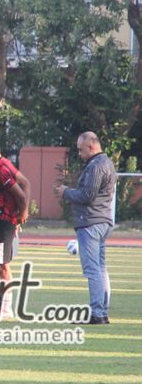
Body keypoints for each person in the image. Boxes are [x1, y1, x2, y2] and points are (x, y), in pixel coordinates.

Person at [55, 131, 116, 325]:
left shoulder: (96, 166)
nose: (80, 154)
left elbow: (86, 196)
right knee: (100, 268)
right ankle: (102, 311)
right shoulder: (106, 163)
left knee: (92, 270)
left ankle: (97, 313)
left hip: (91, 222)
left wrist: (66, 192)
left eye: (81, 150)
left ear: (91, 146)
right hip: (102, 220)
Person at [0, 134, 30, 319]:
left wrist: (23, 213)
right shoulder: (0, 165)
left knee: (2, 264)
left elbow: (20, 191)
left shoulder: (1, 168)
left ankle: (7, 306)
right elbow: (26, 182)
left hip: (3, 221)